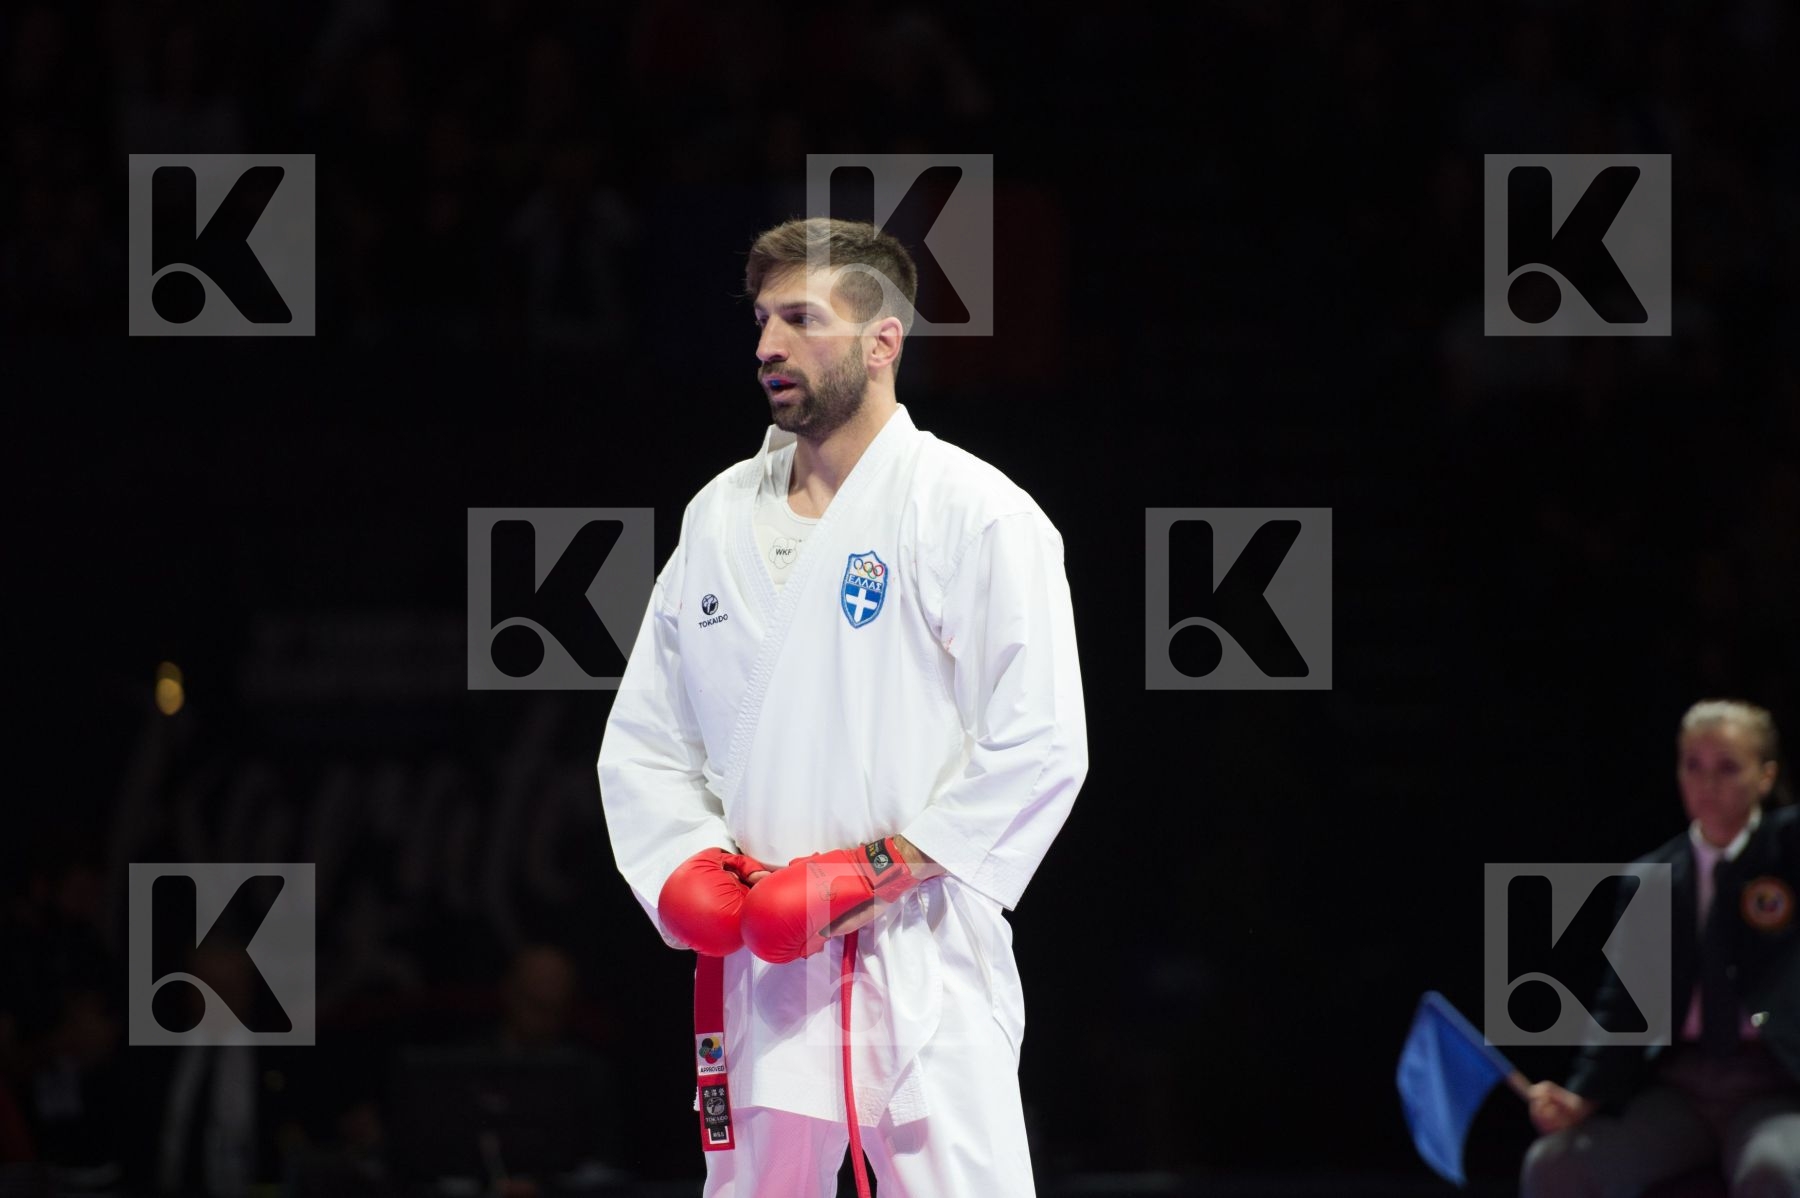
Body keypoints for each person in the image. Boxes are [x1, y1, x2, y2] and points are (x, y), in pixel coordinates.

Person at [597, 216, 1087, 1196]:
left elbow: (1040, 741)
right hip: (762, 958)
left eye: (800, 319)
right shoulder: (716, 515)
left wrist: (878, 870)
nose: (767, 345)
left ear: (882, 342)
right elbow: (647, 736)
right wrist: (684, 863)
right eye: (762, 320)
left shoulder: (972, 511)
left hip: (924, 957)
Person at [1521, 699, 1800, 1197]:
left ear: (1765, 776)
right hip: (1683, 1086)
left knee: (1773, 1170)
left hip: (1775, 1081)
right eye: (1693, 765)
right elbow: (1622, 1006)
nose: (1707, 783)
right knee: (1555, 1166)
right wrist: (1581, 1095)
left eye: (1728, 767)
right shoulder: (1653, 878)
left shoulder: (1789, 853)